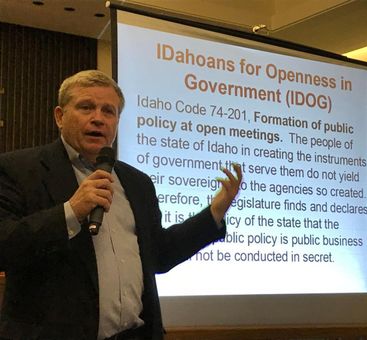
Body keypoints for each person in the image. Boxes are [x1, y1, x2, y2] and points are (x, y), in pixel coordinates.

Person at [0, 70, 242, 340]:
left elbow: (159, 255)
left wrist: (214, 213)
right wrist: (70, 212)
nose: (98, 118)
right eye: (86, 107)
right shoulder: (18, 169)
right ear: (60, 116)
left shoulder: (137, 182)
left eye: (109, 111)